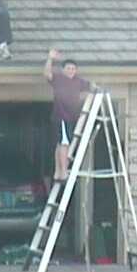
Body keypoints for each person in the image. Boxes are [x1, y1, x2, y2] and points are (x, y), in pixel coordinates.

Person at [44, 49, 94, 181]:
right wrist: (50, 59)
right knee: (64, 144)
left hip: (71, 117)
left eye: (73, 68)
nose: (71, 70)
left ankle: (58, 172)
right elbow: (47, 74)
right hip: (61, 117)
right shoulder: (59, 79)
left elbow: (90, 86)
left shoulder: (78, 81)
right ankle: (63, 172)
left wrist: (98, 89)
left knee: (61, 143)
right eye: (68, 68)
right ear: (63, 69)